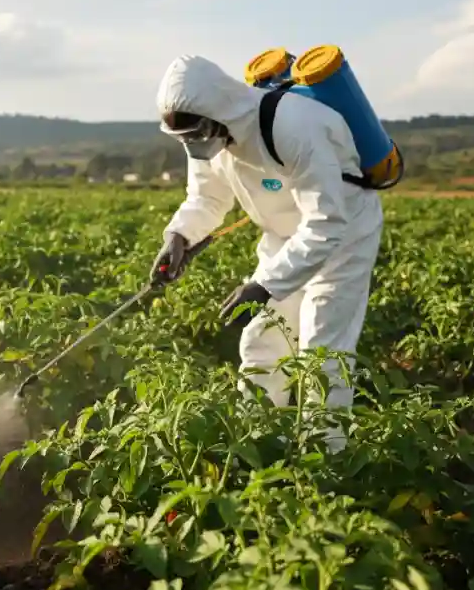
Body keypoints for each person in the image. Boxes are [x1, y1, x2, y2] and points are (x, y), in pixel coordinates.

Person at [148, 54, 384, 453]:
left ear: (218, 111)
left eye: (195, 133)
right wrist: (179, 235)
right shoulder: (208, 140)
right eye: (182, 138)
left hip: (344, 237)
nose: (192, 144)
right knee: (261, 341)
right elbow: (206, 198)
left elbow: (326, 222)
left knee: (322, 353)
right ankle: (257, 445)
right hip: (282, 238)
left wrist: (264, 285)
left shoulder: (294, 125)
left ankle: (324, 462)